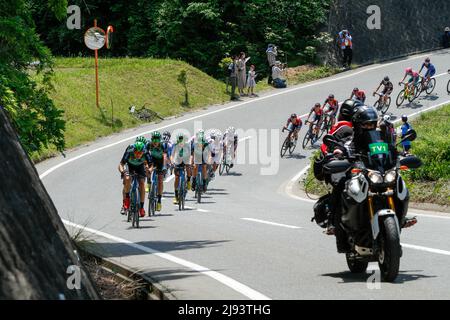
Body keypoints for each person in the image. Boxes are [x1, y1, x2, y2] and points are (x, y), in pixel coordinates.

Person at [118, 137, 151, 218]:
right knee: (128, 179)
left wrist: (149, 169)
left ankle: (141, 208)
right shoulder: (129, 151)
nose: (138, 154)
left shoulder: (146, 152)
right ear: (133, 150)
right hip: (130, 166)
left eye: (140, 153)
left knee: (142, 183)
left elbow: (151, 165)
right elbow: (121, 164)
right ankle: (127, 200)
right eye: (136, 152)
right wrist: (122, 172)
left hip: (140, 167)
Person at [146, 131, 168, 212]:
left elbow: (165, 156)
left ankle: (159, 201)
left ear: (160, 140)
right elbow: (145, 155)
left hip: (160, 162)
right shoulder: (148, 144)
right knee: (147, 169)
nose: (155, 142)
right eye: (154, 140)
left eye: (157, 140)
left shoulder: (163, 145)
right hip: (151, 160)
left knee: (160, 181)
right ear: (151, 139)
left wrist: (164, 166)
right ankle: (148, 182)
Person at [171, 133, 192, 205]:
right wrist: (172, 162)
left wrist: (189, 163)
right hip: (177, 162)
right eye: (180, 140)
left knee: (188, 168)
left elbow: (190, 155)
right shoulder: (175, 146)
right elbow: (172, 155)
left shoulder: (187, 146)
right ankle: (176, 195)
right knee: (176, 178)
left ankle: (188, 180)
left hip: (185, 161)